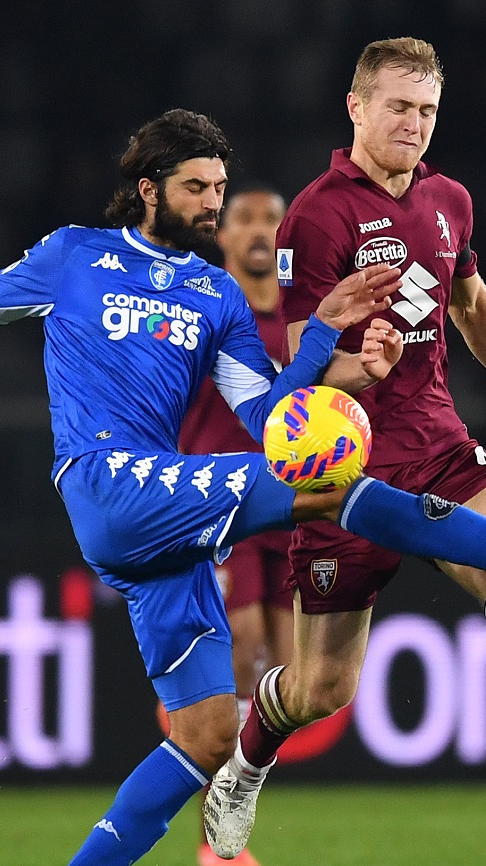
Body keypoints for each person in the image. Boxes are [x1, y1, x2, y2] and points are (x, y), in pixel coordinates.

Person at [0, 108, 486, 866]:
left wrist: (334, 340)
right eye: (196, 188)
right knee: (334, 487)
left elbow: (271, 419)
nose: (211, 206)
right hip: (109, 480)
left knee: (208, 732)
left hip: (164, 524)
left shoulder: (214, 293)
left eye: (220, 191)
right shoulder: (73, 255)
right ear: (148, 188)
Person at [203, 38, 486, 860]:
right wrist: (359, 366)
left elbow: (474, 309)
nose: (413, 125)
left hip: (438, 440)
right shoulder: (318, 213)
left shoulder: (450, 200)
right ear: (357, 107)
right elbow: (301, 362)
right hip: (346, 472)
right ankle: (242, 768)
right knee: (321, 690)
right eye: (399, 107)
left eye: (427, 111)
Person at [177, 185, 293, 866]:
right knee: (238, 654)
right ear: (221, 237)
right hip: (218, 508)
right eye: (243, 218)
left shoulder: (308, 320)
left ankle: (228, 824)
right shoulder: (206, 312)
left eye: (271, 220)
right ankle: (213, 846)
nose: (257, 230)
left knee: (285, 676)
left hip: (291, 508)